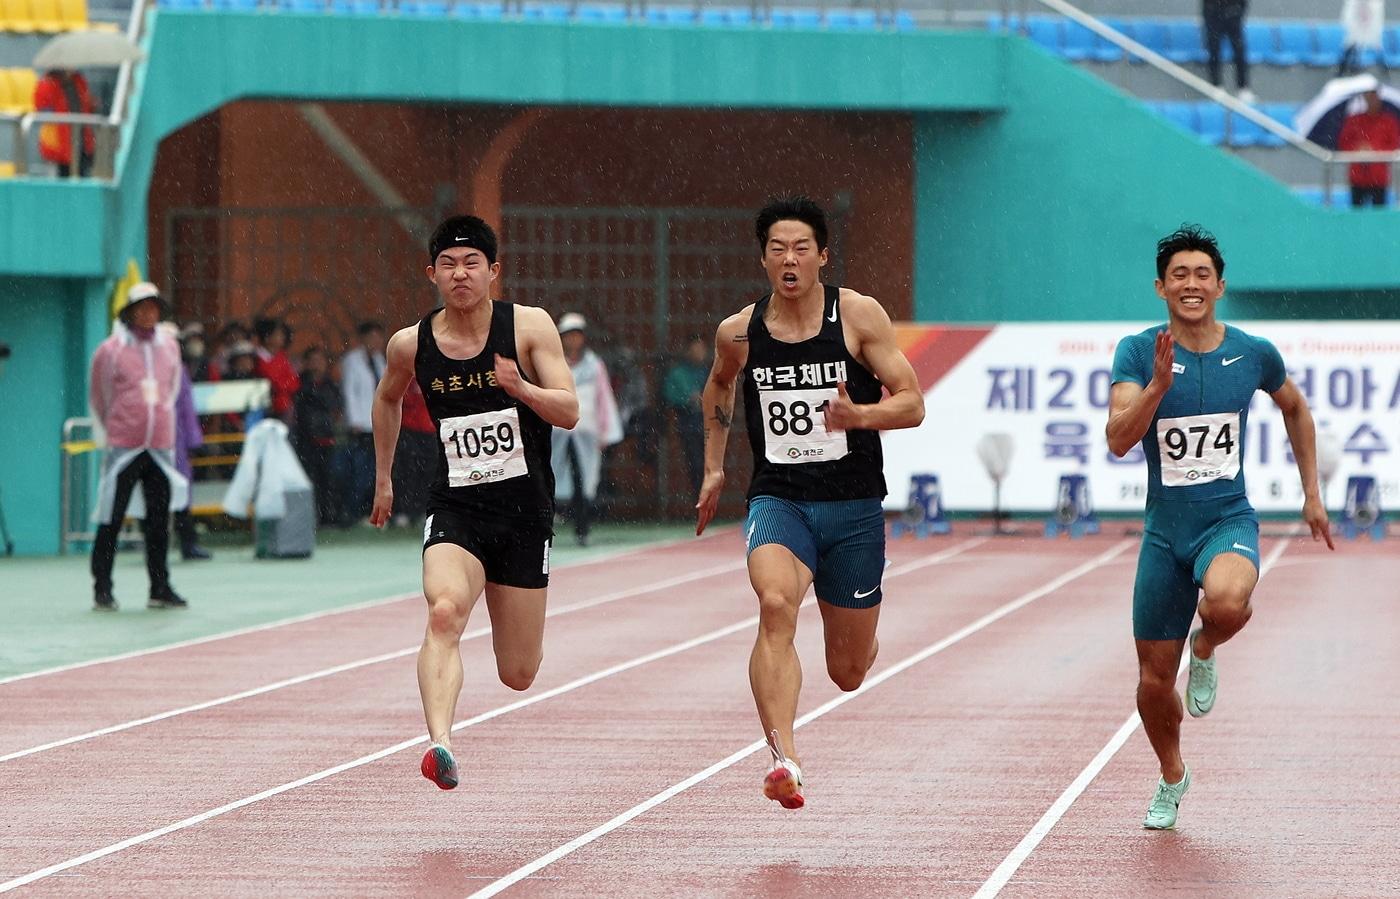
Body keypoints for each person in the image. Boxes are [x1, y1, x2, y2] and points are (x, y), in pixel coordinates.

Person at [694, 196, 925, 810]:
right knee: (774, 604)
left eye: (801, 248)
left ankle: (864, 608)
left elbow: (913, 402)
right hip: (780, 499)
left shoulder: (856, 316)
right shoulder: (739, 331)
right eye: (777, 249)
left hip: (852, 506)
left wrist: (860, 415)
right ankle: (784, 757)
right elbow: (718, 384)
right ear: (764, 260)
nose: (789, 259)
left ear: (822, 255)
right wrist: (715, 466)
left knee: (847, 672)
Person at [1106, 225, 1334, 831]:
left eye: (1201, 274)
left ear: (1220, 285)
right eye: (1178, 275)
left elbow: (1295, 408)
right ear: (1160, 287)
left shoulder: (1253, 352)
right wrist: (1157, 385)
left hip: (1226, 518)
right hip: (1164, 532)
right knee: (1154, 682)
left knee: (1228, 602)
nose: (1191, 284)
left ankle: (1205, 647)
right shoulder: (1137, 350)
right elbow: (1118, 440)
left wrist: (1312, 494)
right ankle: (1172, 775)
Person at [370, 214, 578, 790]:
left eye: (472, 264)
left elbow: (569, 411)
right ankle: (439, 743)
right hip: (456, 507)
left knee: (518, 672)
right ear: (431, 273)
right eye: (448, 264)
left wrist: (520, 389)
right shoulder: (410, 344)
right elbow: (386, 399)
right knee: (443, 612)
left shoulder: (530, 328)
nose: (460, 274)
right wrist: (384, 478)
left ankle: (462, 710)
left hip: (523, 514)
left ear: (493, 272)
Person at [88, 283, 191, 611]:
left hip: (159, 446)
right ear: (130, 312)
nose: (148, 313)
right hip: (124, 444)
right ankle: (102, 586)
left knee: (159, 520)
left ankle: (159, 587)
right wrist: (113, 429)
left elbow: (172, 390)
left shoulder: (170, 347)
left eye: (154, 307)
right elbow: (99, 394)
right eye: (142, 307)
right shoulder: (111, 349)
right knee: (112, 516)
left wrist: (159, 421)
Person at [550, 313, 623, 546]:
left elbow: (603, 399)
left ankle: (582, 528)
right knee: (550, 478)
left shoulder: (594, 365)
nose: (572, 340)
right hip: (558, 431)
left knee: (583, 480)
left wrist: (605, 431)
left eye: (576, 335)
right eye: (567, 335)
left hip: (586, 432)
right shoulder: (553, 363)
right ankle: (548, 528)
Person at [342, 320, 387, 523]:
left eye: (378, 337)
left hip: (378, 423)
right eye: (371, 337)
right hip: (360, 423)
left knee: (376, 471)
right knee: (360, 470)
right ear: (363, 339)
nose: (375, 341)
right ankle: (353, 512)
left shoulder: (379, 359)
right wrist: (354, 420)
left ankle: (371, 513)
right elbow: (350, 392)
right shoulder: (352, 360)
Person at [292, 346, 343, 526]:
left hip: (327, 439)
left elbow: (336, 408)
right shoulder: (299, 384)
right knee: (309, 479)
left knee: (329, 480)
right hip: (306, 440)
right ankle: (311, 517)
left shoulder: (331, 385)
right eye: (312, 360)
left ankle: (329, 516)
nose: (316, 364)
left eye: (319, 360)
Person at [173, 328, 212, 561]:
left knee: (181, 496)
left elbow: (187, 410)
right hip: (152, 443)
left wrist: (192, 441)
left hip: (175, 443)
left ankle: (188, 543)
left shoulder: (179, 372)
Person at [663, 334, 710, 496]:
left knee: (710, 462)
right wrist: (688, 400)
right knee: (695, 463)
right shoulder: (678, 373)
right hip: (689, 421)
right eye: (696, 348)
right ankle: (699, 498)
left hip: (710, 422)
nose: (700, 352)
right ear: (688, 351)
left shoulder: (708, 371)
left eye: (702, 348)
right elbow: (669, 396)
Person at [1337, 87, 1400, 208]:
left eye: (1374, 95)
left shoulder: (1389, 121)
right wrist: (1358, 149)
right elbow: (1343, 143)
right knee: (1356, 215)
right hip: (1358, 177)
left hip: (1378, 177)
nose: (1372, 99)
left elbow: (1394, 145)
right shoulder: (1354, 121)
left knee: (1379, 215)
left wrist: (1374, 150)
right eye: (1369, 95)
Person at [34, 69, 96, 178]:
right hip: (60, 142)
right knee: (61, 176)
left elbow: (86, 104)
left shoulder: (78, 80)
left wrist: (92, 104)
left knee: (81, 172)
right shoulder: (48, 83)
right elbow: (43, 109)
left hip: (81, 139)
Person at [1202, 0, 1254, 104]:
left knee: (1239, 51)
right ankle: (1216, 85)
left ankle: (1243, 87)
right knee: (1214, 50)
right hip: (1213, 15)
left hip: (1233, 13)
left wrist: (1238, 11)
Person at [253, 317, 301, 423]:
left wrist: (284, 384)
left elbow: (294, 383)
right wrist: (285, 384)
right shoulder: (257, 359)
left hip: (284, 406)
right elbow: (273, 382)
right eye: (278, 334)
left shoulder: (281, 357)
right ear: (267, 338)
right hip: (266, 408)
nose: (282, 338)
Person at [1339, 0, 1387, 77]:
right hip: (1357, 27)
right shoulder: (1353, 6)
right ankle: (1343, 71)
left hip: (1368, 27)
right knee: (1351, 44)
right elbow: (1349, 15)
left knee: (1375, 45)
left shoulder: (1375, 5)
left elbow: (1376, 13)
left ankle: (1385, 73)